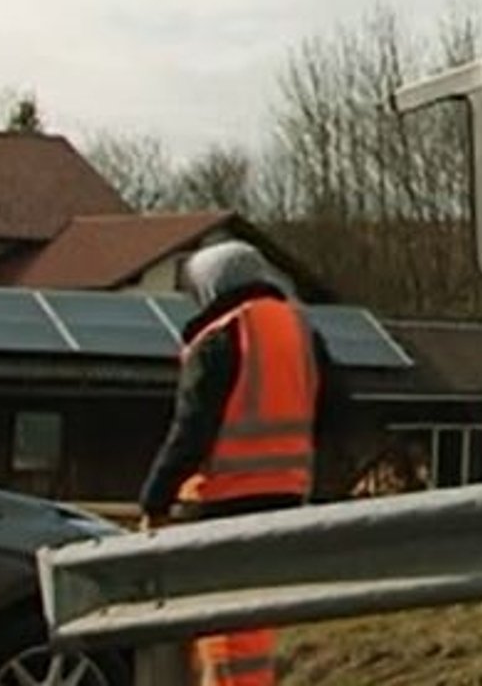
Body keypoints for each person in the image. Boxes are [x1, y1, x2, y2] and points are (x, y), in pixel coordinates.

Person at [137, 240, 324, 686]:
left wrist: (155, 497)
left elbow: (192, 430)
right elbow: (335, 409)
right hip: (287, 495)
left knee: (221, 623)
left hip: (222, 498)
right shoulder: (301, 331)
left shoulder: (220, 335)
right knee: (256, 619)